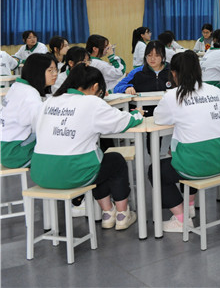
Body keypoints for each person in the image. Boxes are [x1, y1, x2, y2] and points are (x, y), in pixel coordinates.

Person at [31, 64, 142, 230]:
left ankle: (107, 213)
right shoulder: (91, 102)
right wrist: (137, 113)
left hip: (41, 173)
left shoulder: (49, 101)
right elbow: (122, 122)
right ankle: (122, 214)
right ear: (95, 87)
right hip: (73, 174)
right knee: (114, 161)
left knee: (99, 161)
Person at [149, 51, 220, 232]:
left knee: (156, 170)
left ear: (174, 73)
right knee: (188, 153)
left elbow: (159, 118)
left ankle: (182, 219)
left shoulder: (173, 96)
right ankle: (189, 206)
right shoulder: (216, 91)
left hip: (195, 166)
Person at [0, 54, 57, 168]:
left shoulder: (18, 86)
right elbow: (39, 127)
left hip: (5, 149)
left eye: (56, 70)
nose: (55, 74)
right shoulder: (30, 95)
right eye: (50, 70)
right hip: (15, 154)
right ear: (37, 72)